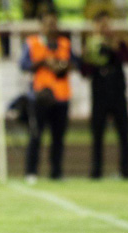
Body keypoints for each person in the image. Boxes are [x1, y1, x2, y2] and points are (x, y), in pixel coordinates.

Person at [20, 9, 76, 183]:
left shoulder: (65, 43)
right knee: (36, 135)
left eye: (54, 23)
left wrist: (64, 66)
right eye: (48, 23)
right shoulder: (33, 42)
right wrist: (44, 62)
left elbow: (76, 63)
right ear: (41, 25)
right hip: (40, 96)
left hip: (61, 96)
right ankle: (31, 172)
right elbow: (24, 65)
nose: (51, 27)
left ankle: (56, 172)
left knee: (58, 138)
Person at [82, 11, 128, 179]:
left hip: (118, 93)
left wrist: (116, 48)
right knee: (97, 134)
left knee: (124, 133)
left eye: (107, 24)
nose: (105, 28)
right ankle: (96, 172)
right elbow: (85, 71)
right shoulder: (91, 44)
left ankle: (125, 171)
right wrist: (87, 56)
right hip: (100, 93)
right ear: (96, 26)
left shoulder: (117, 41)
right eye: (101, 25)